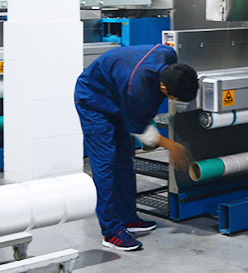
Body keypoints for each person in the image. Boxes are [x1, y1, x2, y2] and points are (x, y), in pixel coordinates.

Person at [74, 43, 199, 251]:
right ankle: (111, 232)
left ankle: (128, 218)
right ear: (164, 88)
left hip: (117, 95)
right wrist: (170, 145)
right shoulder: (137, 89)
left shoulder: (169, 54)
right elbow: (138, 127)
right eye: (174, 98)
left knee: (124, 160)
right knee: (106, 165)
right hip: (94, 101)